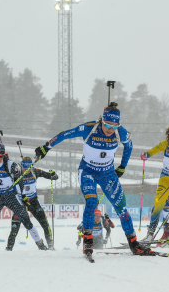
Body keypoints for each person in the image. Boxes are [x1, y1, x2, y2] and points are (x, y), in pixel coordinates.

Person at [34, 102, 154, 258]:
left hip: (107, 173)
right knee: (92, 202)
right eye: (107, 125)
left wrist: (122, 167)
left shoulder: (121, 133)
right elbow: (65, 134)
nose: (111, 130)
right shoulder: (89, 129)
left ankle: (133, 243)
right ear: (102, 120)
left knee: (122, 208)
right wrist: (46, 147)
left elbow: (129, 147)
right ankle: (88, 243)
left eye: (114, 126)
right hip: (87, 171)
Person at [6, 157, 59, 251]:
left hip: (33, 201)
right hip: (21, 202)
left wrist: (53, 175)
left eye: (28, 168)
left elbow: (53, 177)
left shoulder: (35, 172)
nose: (26, 170)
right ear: (21, 166)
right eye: (24, 168)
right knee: (14, 228)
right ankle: (9, 248)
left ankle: (51, 246)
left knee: (45, 224)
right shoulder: (16, 173)